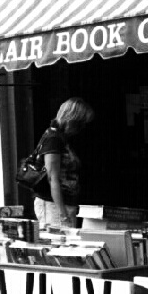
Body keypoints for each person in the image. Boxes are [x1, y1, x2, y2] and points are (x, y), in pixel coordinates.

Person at [32, 96, 95, 229]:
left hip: (65, 203)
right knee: (60, 243)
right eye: (80, 123)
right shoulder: (53, 139)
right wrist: (62, 214)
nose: (82, 128)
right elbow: (52, 177)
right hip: (53, 205)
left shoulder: (61, 138)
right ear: (72, 120)